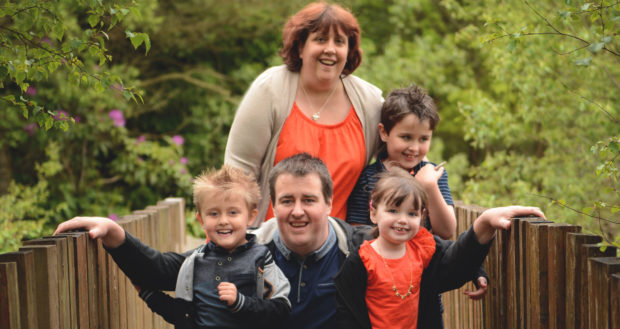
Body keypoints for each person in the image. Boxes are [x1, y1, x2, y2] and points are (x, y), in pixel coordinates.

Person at [54, 154, 545, 329]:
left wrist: (482, 231)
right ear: (270, 206)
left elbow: (442, 267)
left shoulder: (365, 246)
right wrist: (116, 237)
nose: (297, 210)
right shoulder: (245, 248)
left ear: (329, 203)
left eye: (308, 199)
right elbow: (169, 271)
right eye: (285, 200)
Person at [54, 166, 291, 329]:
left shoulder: (261, 259)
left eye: (233, 212)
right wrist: (114, 233)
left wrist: (241, 302)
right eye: (214, 213)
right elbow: (166, 285)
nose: (223, 220)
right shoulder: (195, 262)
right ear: (200, 219)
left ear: (251, 216)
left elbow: (280, 310)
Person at [224, 1, 384, 225]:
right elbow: (237, 176)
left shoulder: (369, 102)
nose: (330, 49)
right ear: (300, 47)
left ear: (348, 51)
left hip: (338, 250)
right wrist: (236, 248)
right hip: (268, 246)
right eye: (320, 39)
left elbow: (405, 153)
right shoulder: (270, 90)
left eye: (339, 42)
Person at [335, 168, 512, 329]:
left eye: (412, 213)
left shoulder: (420, 247)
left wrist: (477, 267)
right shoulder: (361, 260)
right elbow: (347, 311)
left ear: (422, 216)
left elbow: (454, 256)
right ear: (374, 212)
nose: (403, 219)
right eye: (393, 211)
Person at [346, 85, 455, 239]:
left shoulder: (434, 175)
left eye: (423, 139)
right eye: (406, 137)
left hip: (424, 260)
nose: (414, 148)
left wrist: (429, 186)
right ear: (384, 132)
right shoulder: (368, 178)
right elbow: (356, 234)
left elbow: (447, 232)